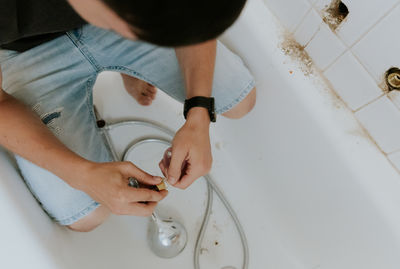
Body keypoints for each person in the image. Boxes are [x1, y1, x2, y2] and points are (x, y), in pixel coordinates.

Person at [0, 0, 256, 232]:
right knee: (85, 215)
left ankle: (125, 64)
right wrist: (83, 175)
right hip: (22, 54)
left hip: (106, 15)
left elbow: (195, 16)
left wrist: (199, 113)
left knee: (240, 101)